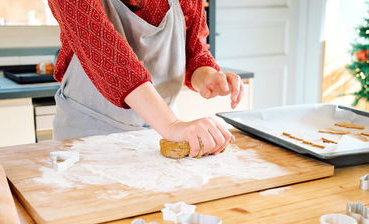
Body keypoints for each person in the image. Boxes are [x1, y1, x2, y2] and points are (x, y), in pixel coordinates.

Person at [48, 0, 245, 157]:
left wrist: (207, 76)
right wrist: (172, 126)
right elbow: (109, 57)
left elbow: (194, 51)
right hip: (87, 139)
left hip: (159, 135)